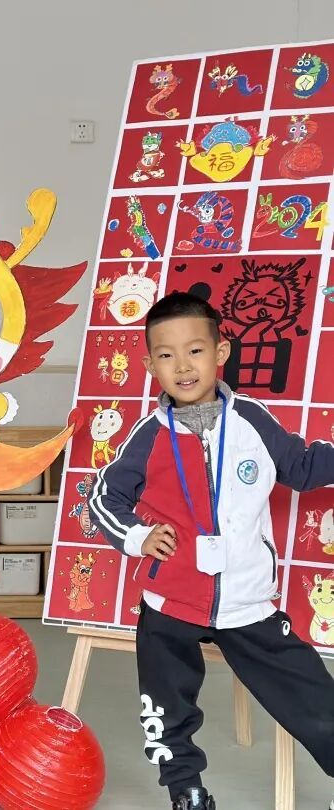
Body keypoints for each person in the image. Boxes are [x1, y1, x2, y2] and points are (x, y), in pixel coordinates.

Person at [88, 291, 334, 810]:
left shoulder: (252, 422)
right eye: (166, 355)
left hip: (246, 600)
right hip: (170, 602)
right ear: (149, 365)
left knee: (315, 699)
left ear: (220, 352)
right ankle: (187, 790)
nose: (182, 366)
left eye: (195, 350)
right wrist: (136, 537)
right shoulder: (149, 435)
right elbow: (104, 497)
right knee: (166, 708)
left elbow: (303, 467)